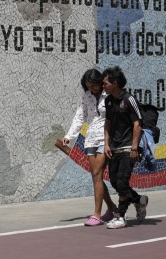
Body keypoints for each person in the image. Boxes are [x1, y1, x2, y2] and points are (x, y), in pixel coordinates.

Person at [56, 68, 117, 226]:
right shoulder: (86, 96)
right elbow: (80, 116)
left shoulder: (108, 94)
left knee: (97, 173)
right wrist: (68, 136)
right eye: (88, 86)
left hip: (106, 136)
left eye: (94, 85)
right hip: (91, 138)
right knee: (96, 176)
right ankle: (112, 208)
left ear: (100, 82)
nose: (92, 88)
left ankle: (96, 215)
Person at [101, 66, 148, 230]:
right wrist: (106, 143)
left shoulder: (129, 100)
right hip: (114, 148)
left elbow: (137, 124)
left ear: (115, 83)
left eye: (105, 83)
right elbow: (108, 123)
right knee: (115, 181)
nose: (103, 86)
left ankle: (121, 217)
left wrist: (134, 148)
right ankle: (139, 200)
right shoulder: (108, 101)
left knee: (122, 181)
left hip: (128, 147)